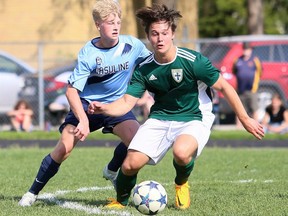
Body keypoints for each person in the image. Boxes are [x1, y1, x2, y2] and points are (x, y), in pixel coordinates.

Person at [88, 4, 265, 210]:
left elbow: (224, 87)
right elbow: (127, 102)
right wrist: (104, 108)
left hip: (194, 117)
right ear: (148, 36)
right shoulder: (144, 68)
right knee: (129, 165)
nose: (160, 38)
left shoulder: (192, 61)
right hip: (160, 118)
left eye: (164, 33)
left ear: (172, 34)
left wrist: (245, 119)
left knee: (181, 153)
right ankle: (121, 200)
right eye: (154, 34)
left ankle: (181, 183)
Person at [18, 0, 150, 207]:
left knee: (137, 142)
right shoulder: (88, 54)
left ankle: (112, 170)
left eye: (118, 21)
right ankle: (32, 192)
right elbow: (71, 91)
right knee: (64, 149)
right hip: (86, 107)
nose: (115, 26)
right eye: (109, 22)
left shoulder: (133, 45)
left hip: (116, 107)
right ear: (98, 25)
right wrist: (83, 120)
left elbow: (152, 66)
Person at [232, 42, 262, 127]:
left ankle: (257, 126)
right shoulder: (238, 60)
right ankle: (238, 127)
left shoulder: (255, 60)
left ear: (251, 50)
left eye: (248, 49)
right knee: (240, 108)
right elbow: (234, 71)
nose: (246, 51)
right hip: (241, 89)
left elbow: (260, 72)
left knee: (254, 108)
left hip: (252, 89)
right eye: (245, 49)